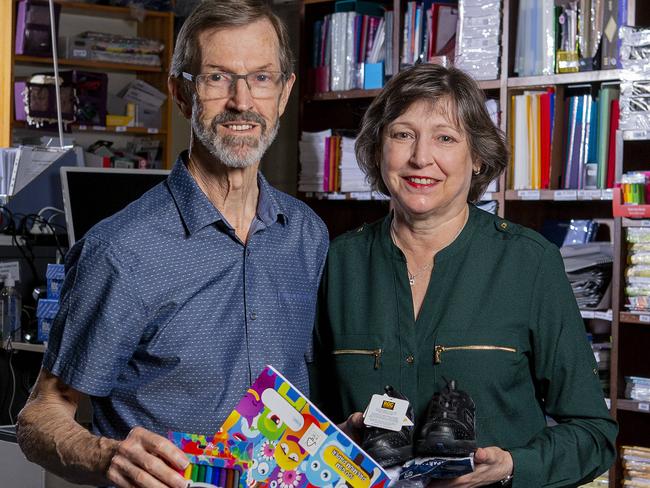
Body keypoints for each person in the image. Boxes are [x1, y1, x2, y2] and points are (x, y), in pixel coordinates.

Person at [16, 1, 328, 487]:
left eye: (262, 78)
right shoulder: (121, 251)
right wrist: (106, 455)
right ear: (182, 94)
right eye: (217, 78)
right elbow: (40, 417)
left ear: (284, 93)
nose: (242, 102)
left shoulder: (307, 236)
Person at [309, 63, 617, 487]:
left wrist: (512, 466)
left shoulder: (529, 263)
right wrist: (332, 443)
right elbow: (311, 423)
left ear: (476, 157)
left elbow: (594, 435)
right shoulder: (337, 263)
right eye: (402, 134)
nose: (421, 157)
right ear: (379, 149)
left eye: (445, 138)